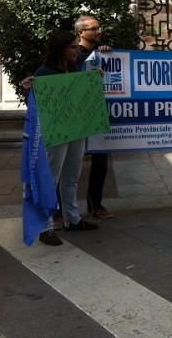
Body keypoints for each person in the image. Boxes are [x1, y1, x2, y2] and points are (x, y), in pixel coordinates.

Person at [34, 30, 99, 245]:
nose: (76, 50)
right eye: (72, 46)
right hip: (56, 130)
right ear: (60, 49)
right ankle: (44, 227)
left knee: (72, 175)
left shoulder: (74, 68)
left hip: (75, 128)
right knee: (51, 176)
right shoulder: (44, 72)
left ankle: (73, 219)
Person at [75, 15, 114, 219]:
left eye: (99, 27)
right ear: (81, 32)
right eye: (93, 28)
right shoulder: (73, 55)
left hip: (98, 115)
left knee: (100, 162)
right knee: (69, 165)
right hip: (76, 117)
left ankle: (95, 205)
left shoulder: (104, 53)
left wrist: (107, 55)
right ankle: (60, 210)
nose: (99, 31)